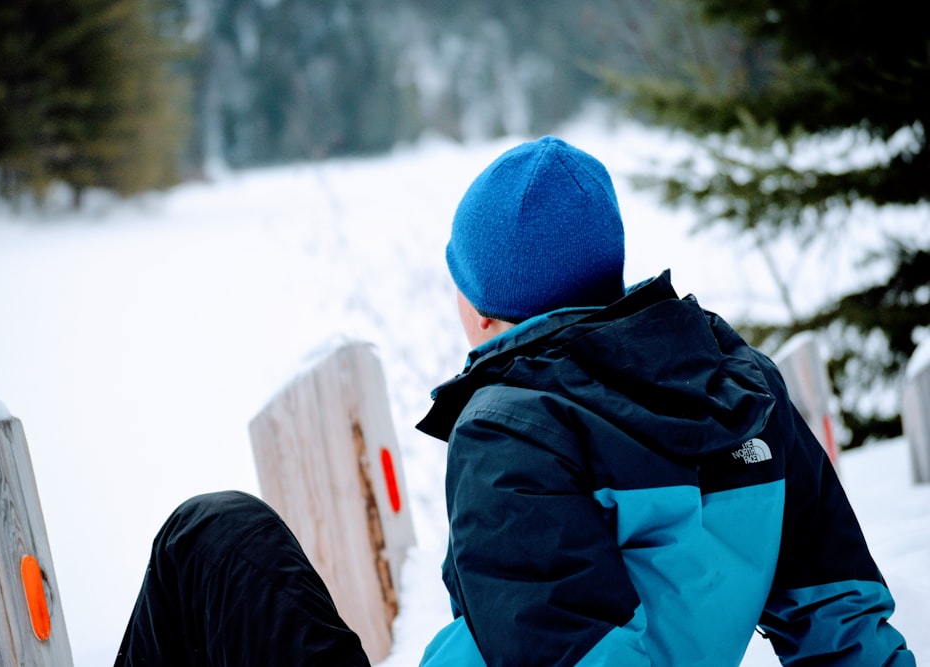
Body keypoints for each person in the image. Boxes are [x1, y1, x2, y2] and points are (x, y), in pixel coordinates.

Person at [116, 136, 914, 666]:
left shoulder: (514, 428)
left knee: (211, 535)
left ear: (485, 305)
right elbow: (842, 619)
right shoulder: (747, 389)